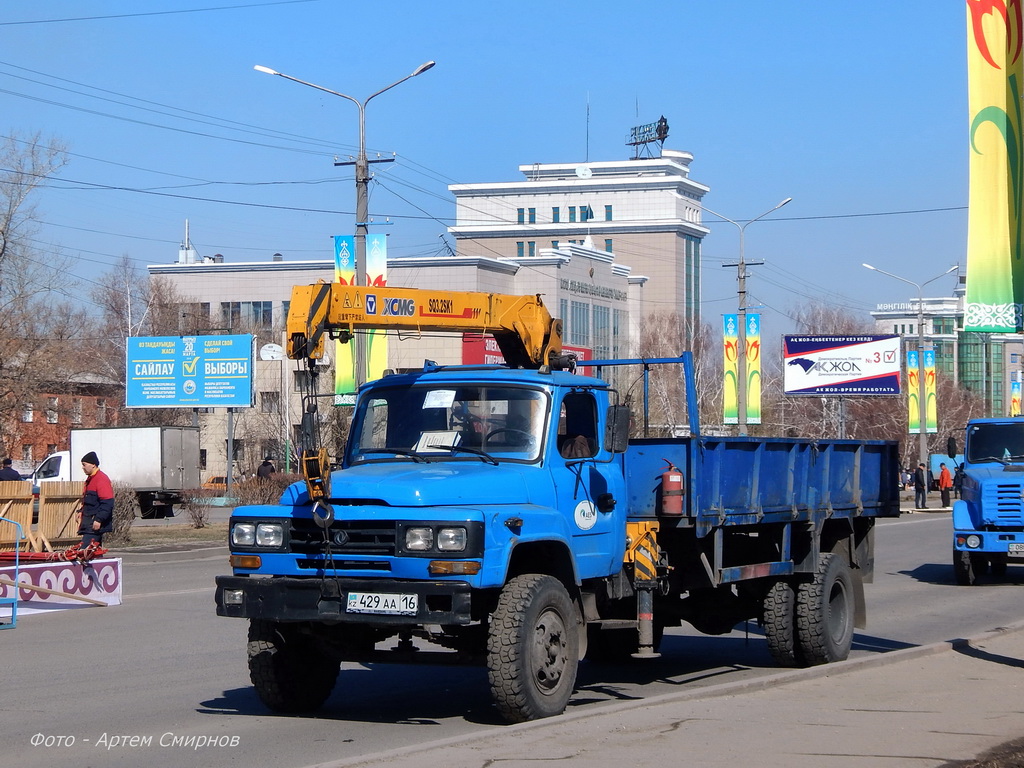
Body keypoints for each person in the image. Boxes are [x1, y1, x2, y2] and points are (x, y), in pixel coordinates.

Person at [76, 451, 114, 546]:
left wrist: (99, 519)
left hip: (94, 524)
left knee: (85, 551)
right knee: (94, 552)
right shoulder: (90, 479)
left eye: (84, 465)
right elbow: (90, 502)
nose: (83, 467)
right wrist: (81, 511)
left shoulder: (101, 479)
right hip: (89, 522)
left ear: (93, 465)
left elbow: (107, 502)